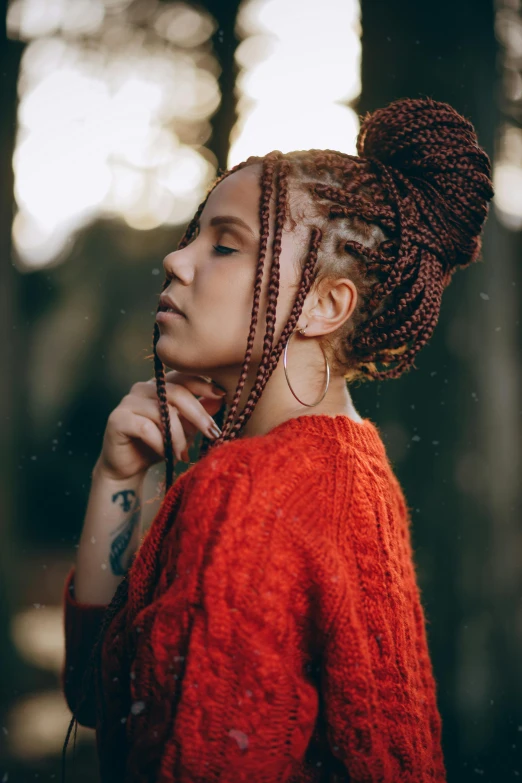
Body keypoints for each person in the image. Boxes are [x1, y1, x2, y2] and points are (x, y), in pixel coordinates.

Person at [60, 96, 494, 782]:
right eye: (193, 235)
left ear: (325, 305)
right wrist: (118, 478)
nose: (177, 261)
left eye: (225, 245)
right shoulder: (352, 460)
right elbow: (103, 696)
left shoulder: (248, 493)